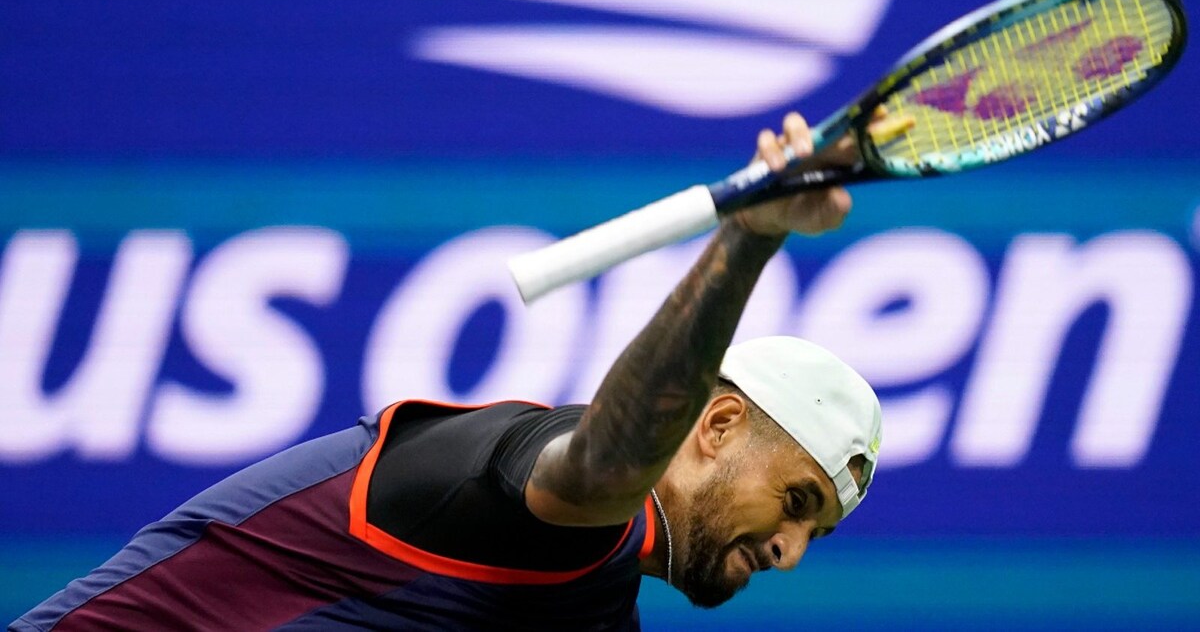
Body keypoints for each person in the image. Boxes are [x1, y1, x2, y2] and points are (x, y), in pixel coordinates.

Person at [11, 111, 885, 631]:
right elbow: (609, 466)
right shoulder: (563, 501)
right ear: (718, 423)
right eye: (797, 502)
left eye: (818, 533)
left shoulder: (595, 591)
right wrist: (749, 236)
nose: (790, 551)